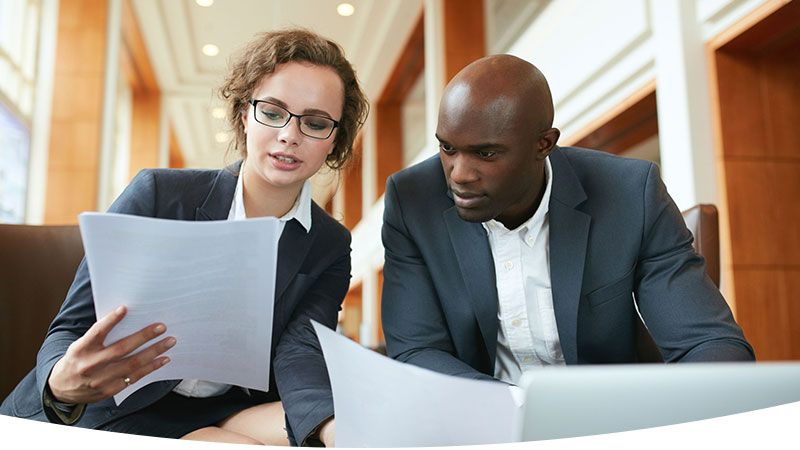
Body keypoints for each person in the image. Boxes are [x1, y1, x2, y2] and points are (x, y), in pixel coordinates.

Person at [1, 28, 368, 446]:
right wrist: (59, 382)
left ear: (334, 139)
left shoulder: (330, 244)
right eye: (272, 111)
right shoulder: (158, 193)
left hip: (223, 408)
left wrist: (332, 428)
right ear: (244, 114)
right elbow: (72, 323)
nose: (289, 134)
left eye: (316, 122)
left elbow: (301, 349)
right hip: (117, 402)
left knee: (341, 427)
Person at [380, 54, 754, 387]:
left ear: (544, 144)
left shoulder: (630, 194)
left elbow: (709, 344)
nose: (458, 174)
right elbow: (416, 351)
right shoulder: (412, 202)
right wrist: (520, 408)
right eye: (447, 148)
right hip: (480, 423)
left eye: (486, 153)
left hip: (606, 423)